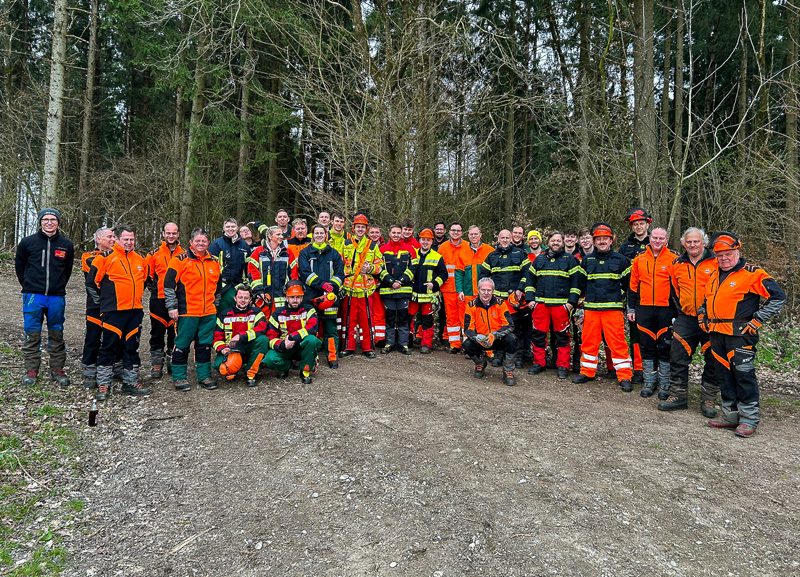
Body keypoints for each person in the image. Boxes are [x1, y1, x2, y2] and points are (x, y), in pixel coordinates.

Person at [700, 232, 785, 437]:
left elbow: (778, 296)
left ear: (738, 251)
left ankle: (749, 418)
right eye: (720, 255)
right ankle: (730, 415)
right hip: (716, 333)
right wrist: (703, 315)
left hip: (741, 334)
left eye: (728, 254)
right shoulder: (713, 275)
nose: (724, 258)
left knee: (743, 375)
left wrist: (758, 320)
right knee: (723, 376)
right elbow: (706, 300)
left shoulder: (752, 273)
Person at [659, 228, 720, 417]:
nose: (693, 245)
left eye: (696, 241)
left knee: (713, 357)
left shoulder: (716, 262)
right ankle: (678, 395)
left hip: (711, 318)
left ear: (704, 243)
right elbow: (674, 290)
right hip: (686, 317)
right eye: (689, 242)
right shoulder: (677, 264)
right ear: (684, 243)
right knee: (677, 355)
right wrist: (681, 311)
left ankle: (708, 397)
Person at [85, 225, 151, 400]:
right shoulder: (104, 258)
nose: (129, 242)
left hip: (135, 311)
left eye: (132, 239)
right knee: (108, 347)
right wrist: (102, 303)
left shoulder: (141, 260)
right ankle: (103, 384)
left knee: (131, 347)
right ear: (117, 240)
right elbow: (91, 283)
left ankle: (130, 382)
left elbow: (144, 281)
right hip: (113, 311)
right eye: (126, 239)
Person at [15, 208, 75, 387]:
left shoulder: (66, 244)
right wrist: (29, 285)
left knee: (56, 333)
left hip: (56, 297)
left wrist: (58, 286)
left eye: (53, 219)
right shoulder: (27, 242)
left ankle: (57, 369)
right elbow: (20, 267)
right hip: (33, 296)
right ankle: (32, 369)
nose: (49, 222)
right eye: (46, 219)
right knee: (32, 333)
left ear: (58, 222)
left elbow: (68, 269)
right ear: (40, 222)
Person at [572, 223, 633, 391]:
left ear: (611, 240)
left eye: (605, 239)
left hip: (612, 310)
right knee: (589, 342)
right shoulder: (587, 260)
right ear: (594, 241)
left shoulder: (621, 260)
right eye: (599, 239)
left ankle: (625, 375)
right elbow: (581, 284)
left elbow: (629, 285)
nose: (602, 242)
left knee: (618, 343)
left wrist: (629, 306)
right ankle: (587, 372)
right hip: (591, 309)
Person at [164, 228, 222, 392]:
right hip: (187, 311)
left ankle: (204, 376)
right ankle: (179, 377)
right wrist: (172, 307)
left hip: (208, 312)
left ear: (208, 243)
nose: (201, 244)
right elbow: (168, 285)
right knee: (182, 344)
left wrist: (214, 307)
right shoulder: (179, 260)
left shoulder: (215, 262)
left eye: (204, 241)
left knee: (204, 346)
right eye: (197, 241)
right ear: (191, 242)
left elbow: (218, 288)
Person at [521, 231, 581, 379]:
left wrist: (570, 304)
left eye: (558, 241)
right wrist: (530, 300)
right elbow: (530, 281)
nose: (555, 243)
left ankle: (563, 365)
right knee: (539, 335)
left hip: (561, 306)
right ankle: (538, 363)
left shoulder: (570, 260)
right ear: (548, 242)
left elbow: (576, 283)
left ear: (562, 243)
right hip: (540, 305)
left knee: (562, 337)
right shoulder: (540, 259)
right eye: (553, 240)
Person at [627, 227, 679, 398]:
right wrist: (631, 308)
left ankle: (665, 383)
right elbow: (633, 285)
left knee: (665, 346)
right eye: (654, 237)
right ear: (650, 239)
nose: (657, 241)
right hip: (644, 308)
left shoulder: (674, 259)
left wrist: (678, 310)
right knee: (647, 345)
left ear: (666, 240)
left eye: (661, 238)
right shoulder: (639, 259)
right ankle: (650, 381)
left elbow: (678, 286)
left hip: (666, 308)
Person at [298, 223, 345, 368]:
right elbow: (304, 273)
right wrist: (321, 284)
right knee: (310, 327)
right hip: (310, 296)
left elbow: (340, 274)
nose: (319, 235)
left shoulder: (334, 253)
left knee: (330, 327)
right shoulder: (305, 253)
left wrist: (332, 286)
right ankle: (309, 357)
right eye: (316, 233)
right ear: (312, 236)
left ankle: (332, 356)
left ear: (326, 235)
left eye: (321, 233)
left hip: (329, 297)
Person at [481, 229, 529, 367]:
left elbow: (528, 274)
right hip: (497, 301)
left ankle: (517, 357)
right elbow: (483, 276)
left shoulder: (519, 254)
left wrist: (520, 288)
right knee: (498, 328)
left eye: (507, 237)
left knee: (516, 329)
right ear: (498, 239)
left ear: (511, 238)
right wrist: (488, 292)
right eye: (502, 237)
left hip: (513, 300)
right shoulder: (491, 256)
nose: (505, 240)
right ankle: (498, 355)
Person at [145, 222, 185, 379]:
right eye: (168, 233)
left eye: (174, 233)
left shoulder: (185, 254)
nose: (171, 236)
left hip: (178, 299)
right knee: (156, 331)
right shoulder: (153, 254)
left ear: (178, 234)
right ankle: (156, 362)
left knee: (174, 332)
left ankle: (172, 360)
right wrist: (155, 290)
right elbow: (148, 277)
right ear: (163, 234)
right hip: (159, 299)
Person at [340, 213, 382, 357]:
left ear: (366, 229)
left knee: (367, 319)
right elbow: (339, 264)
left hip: (366, 288)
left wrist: (369, 269)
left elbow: (380, 266)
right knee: (348, 319)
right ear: (353, 228)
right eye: (358, 227)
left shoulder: (373, 245)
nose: (360, 229)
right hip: (349, 288)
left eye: (362, 227)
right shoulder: (345, 244)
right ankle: (348, 347)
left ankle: (368, 348)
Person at [264, 281, 321, 384]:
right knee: (269, 359)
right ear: (286, 297)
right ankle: (285, 366)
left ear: (302, 298)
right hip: (286, 348)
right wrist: (282, 345)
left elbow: (312, 329)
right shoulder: (277, 314)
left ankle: (305, 371)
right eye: (292, 297)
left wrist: (292, 337)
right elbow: (271, 337)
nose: (295, 300)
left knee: (312, 340)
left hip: (302, 347)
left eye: (298, 297)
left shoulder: (309, 310)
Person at [212, 284, 270, 387]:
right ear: (235, 298)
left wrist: (240, 336)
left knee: (263, 340)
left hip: (249, 348)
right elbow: (216, 338)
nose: (243, 300)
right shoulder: (224, 315)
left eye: (246, 298)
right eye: (240, 297)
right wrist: (223, 349)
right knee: (218, 365)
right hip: (231, 349)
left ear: (250, 299)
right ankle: (233, 369)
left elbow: (261, 329)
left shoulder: (257, 313)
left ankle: (250, 373)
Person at [463, 278, 517, 386]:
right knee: (467, 344)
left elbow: (509, 325)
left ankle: (508, 371)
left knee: (512, 339)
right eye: (483, 290)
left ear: (493, 291)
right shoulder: (471, 305)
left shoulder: (500, 304)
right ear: (478, 290)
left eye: (489, 290)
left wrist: (495, 335)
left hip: (498, 339)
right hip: (481, 340)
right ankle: (480, 363)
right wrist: (476, 337)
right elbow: (468, 328)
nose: (486, 293)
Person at [81, 227, 117, 388]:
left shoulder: (118, 256)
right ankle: (89, 369)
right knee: (93, 338)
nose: (113, 239)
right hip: (95, 305)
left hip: (114, 305)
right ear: (98, 239)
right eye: (109, 237)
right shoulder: (88, 257)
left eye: (114, 237)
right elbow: (93, 276)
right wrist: (99, 302)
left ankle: (114, 367)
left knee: (113, 338)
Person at [619, 207, 652, 384]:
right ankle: (638, 368)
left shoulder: (655, 242)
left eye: (641, 223)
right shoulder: (625, 246)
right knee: (635, 334)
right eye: (635, 224)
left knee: (655, 334)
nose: (639, 227)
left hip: (654, 294)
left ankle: (653, 369)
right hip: (633, 295)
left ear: (648, 224)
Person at [379, 224, 418, 354]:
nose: (396, 235)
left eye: (398, 233)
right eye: (393, 232)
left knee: (403, 318)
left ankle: (403, 344)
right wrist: (390, 281)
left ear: (402, 234)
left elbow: (413, 268)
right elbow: (379, 269)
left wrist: (401, 281)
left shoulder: (410, 249)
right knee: (389, 318)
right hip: (388, 290)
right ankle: (389, 343)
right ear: (389, 233)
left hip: (404, 290)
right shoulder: (382, 250)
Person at [409, 229, 447, 354]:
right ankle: (408, 342)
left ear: (432, 241)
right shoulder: (413, 254)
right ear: (419, 240)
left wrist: (435, 284)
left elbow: (444, 274)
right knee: (408, 319)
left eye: (428, 240)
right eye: (423, 239)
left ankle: (426, 344)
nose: (425, 242)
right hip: (413, 295)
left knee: (428, 321)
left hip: (428, 296)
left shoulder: (437, 256)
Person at [248, 225, 293, 320]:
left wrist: (290, 291)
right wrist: (259, 290)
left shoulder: (288, 253)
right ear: (269, 236)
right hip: (263, 296)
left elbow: (294, 274)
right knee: (262, 322)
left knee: (280, 323)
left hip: (282, 296)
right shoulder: (258, 252)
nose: (281, 237)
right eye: (278, 234)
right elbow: (252, 272)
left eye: (282, 234)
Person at [438, 222, 470, 353]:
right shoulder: (443, 247)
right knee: (451, 317)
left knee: (466, 317)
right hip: (447, 289)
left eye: (458, 230)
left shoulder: (468, 246)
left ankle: (467, 344)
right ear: (449, 232)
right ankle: (454, 344)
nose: (455, 232)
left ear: (462, 232)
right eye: (453, 230)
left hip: (464, 289)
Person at [208, 217, 250, 313]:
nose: (230, 229)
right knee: (220, 313)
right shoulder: (216, 244)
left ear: (237, 228)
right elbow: (209, 267)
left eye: (233, 226)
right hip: (221, 287)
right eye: (228, 227)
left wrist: (247, 285)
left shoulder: (244, 246)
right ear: (223, 228)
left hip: (238, 286)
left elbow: (249, 267)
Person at [457, 226, 494, 301]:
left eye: (476, 234)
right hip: (468, 293)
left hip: (485, 294)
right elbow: (459, 273)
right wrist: (460, 291)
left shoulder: (490, 250)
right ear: (468, 236)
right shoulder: (462, 252)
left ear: (480, 235)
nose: (473, 236)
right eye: (471, 234)